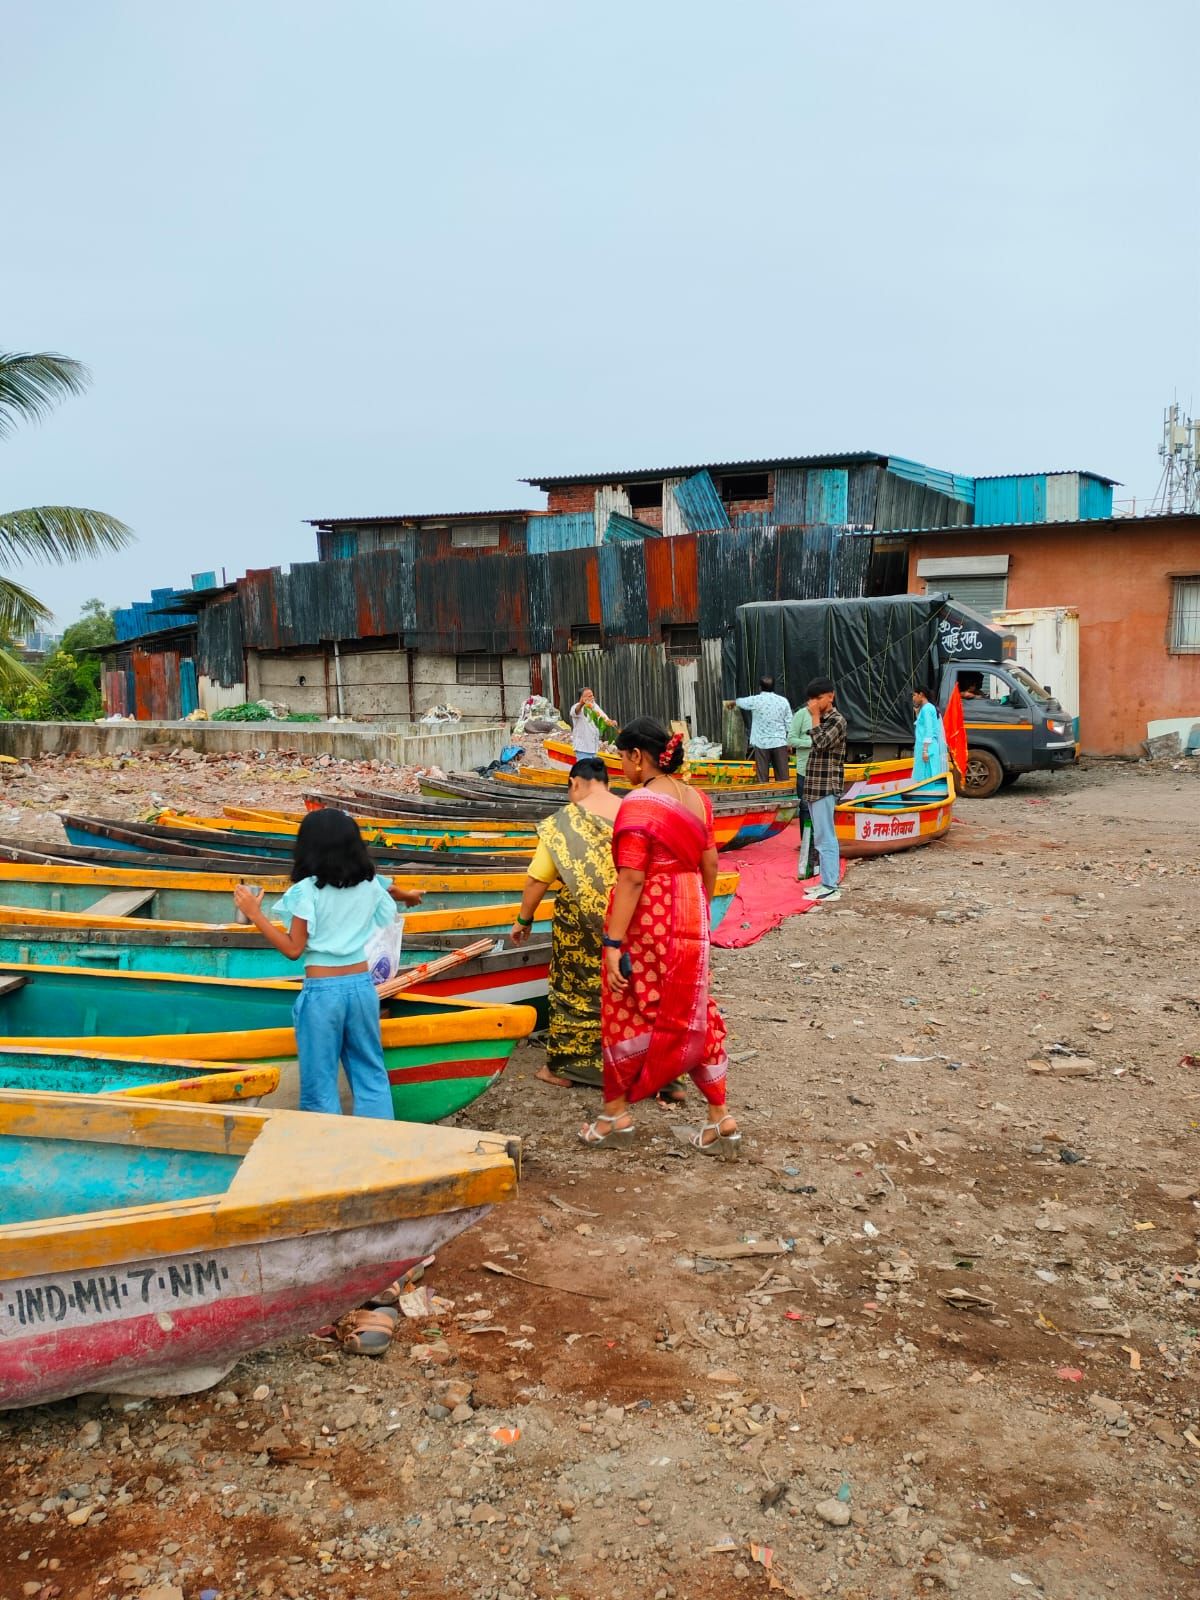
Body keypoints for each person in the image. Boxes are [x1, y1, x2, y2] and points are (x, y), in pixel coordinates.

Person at [582, 717, 738, 1156]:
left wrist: (613, 944)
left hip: (649, 914)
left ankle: (615, 1114)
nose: (620, 767)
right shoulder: (698, 799)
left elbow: (631, 878)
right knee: (692, 1007)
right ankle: (719, 1116)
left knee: (626, 1003)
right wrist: (700, 919)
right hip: (690, 911)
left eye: (621, 757)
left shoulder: (638, 804)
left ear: (637, 755)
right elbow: (710, 865)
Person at [233, 809, 424, 1117]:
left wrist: (255, 914)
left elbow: (294, 949)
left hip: (323, 994)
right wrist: (410, 896)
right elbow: (389, 886)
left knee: (319, 1084)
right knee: (370, 1075)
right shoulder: (369, 883)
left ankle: (327, 1152)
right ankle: (380, 1147)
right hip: (362, 990)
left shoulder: (306, 892)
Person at [510, 758, 620, 1088]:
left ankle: (567, 1069)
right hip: (631, 916)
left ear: (574, 784)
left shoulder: (564, 822)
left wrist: (523, 920)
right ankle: (629, 1064)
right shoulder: (630, 811)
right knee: (623, 988)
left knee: (574, 989)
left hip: (580, 924)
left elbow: (537, 880)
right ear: (608, 784)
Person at [803, 677, 847, 905]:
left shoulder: (837, 720)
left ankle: (831, 886)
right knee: (820, 837)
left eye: (818, 698)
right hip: (814, 785)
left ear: (830, 696)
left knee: (826, 837)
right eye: (811, 699)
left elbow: (820, 742)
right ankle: (825, 882)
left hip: (826, 786)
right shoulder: (823, 719)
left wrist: (813, 717)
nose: (813, 703)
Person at [725, 676, 793, 782]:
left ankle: (764, 796)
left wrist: (732, 703)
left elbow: (740, 702)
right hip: (779, 742)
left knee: (762, 778)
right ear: (774, 687)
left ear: (760, 688)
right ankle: (784, 796)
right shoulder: (783, 701)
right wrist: (789, 742)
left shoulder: (755, 700)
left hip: (762, 743)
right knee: (783, 777)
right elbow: (789, 723)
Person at [911, 685, 948, 782]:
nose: (913, 698)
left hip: (928, 747)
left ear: (921, 695)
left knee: (927, 774)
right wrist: (917, 712)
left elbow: (928, 730)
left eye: (914, 695)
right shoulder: (927, 708)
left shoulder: (927, 709)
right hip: (927, 746)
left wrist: (925, 751)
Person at [569, 688, 609, 758]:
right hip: (582, 748)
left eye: (592, 695)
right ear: (582, 698)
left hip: (594, 748)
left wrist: (610, 722)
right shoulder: (578, 707)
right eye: (589, 696)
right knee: (584, 768)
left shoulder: (594, 706)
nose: (592, 697)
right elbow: (575, 711)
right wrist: (581, 704)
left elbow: (603, 717)